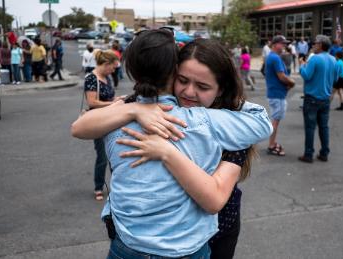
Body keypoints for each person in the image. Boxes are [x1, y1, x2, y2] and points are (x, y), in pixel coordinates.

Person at [72, 31, 272, 259]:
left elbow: (80, 126)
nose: (188, 92)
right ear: (172, 72)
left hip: (135, 242)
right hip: (186, 246)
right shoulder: (210, 122)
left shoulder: (118, 117)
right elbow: (262, 121)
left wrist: (164, 149)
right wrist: (134, 108)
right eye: (183, 80)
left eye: (203, 86)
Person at [84, 50, 124, 201]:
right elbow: (92, 102)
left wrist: (117, 99)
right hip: (98, 122)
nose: (114, 70)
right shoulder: (91, 78)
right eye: (112, 67)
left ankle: (118, 187)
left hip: (111, 120)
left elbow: (110, 97)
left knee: (114, 154)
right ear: (106, 64)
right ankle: (98, 187)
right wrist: (113, 103)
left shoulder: (107, 77)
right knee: (102, 156)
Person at [298, 35, 338, 163]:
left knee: (310, 128)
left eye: (315, 43)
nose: (313, 45)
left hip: (312, 98)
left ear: (320, 45)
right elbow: (335, 79)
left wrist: (301, 65)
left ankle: (308, 154)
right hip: (326, 98)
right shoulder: (333, 60)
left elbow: (307, 76)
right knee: (324, 127)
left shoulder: (315, 59)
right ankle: (324, 153)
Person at [264, 35, 296, 156]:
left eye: (285, 43)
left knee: (275, 120)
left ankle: (271, 143)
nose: (284, 46)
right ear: (275, 44)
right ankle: (271, 145)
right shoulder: (275, 58)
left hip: (275, 93)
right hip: (277, 94)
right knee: (275, 122)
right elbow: (281, 76)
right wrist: (291, 82)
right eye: (282, 43)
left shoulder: (272, 57)